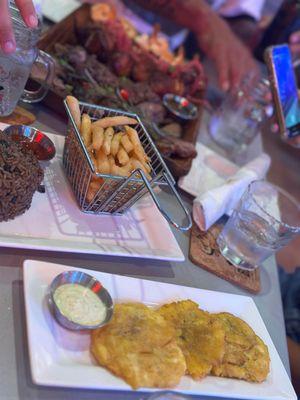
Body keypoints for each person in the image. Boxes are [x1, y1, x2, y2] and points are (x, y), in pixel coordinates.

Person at [0, 0, 258, 92]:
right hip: (86, 12)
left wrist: (241, 43)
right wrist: (202, 17)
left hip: (159, 48)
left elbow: (240, 16)